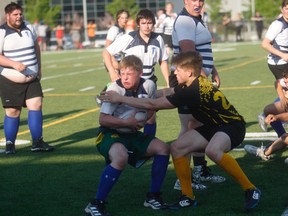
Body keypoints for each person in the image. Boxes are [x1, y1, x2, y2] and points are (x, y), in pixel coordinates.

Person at [101, 51, 261, 211]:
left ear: (189, 72)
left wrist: (120, 98)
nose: (174, 72)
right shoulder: (191, 84)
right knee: (177, 148)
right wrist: (123, 92)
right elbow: (166, 92)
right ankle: (188, 197)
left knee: (213, 150)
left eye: (177, 69)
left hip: (232, 126)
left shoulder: (192, 91)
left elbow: (153, 105)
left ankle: (250, 189)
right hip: (214, 127)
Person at [84, 55, 170, 216]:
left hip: (132, 133)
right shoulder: (114, 90)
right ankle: (96, 204)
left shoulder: (149, 85)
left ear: (139, 72)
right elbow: (103, 120)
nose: (124, 77)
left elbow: (151, 107)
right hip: (110, 134)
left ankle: (153, 196)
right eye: (122, 73)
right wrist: (127, 123)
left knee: (163, 149)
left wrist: (144, 118)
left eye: (128, 74)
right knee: (121, 157)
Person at [170, 0, 224, 191]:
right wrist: (203, 81)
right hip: (187, 80)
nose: (198, 3)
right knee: (189, 126)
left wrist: (213, 70)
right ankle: (182, 178)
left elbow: (202, 51)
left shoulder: (198, 19)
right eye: (193, 0)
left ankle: (200, 170)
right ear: (185, 1)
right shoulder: (185, 21)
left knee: (200, 124)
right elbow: (188, 53)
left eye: (201, 0)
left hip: (196, 78)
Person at [102, 9, 170, 138]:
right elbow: (106, 52)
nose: (147, 26)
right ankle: (117, 141)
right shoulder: (129, 38)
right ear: (138, 24)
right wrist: (112, 71)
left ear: (153, 24)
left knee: (150, 117)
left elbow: (163, 61)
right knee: (126, 113)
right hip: (130, 84)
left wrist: (168, 82)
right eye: (143, 23)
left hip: (149, 83)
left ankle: (147, 145)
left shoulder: (158, 39)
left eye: (149, 23)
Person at [0, 2, 54, 154]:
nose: (19, 17)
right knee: (13, 112)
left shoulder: (29, 27)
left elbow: (36, 46)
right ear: (8, 16)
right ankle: (10, 145)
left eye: (20, 14)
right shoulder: (2, 32)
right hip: (9, 80)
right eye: (15, 14)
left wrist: (39, 68)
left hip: (32, 79)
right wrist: (14, 64)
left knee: (36, 105)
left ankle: (37, 142)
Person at [258, 0, 288, 135]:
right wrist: (283, 55)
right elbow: (265, 44)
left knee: (285, 95)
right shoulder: (278, 24)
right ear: (282, 10)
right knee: (284, 94)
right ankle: (270, 115)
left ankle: (271, 114)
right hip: (278, 64)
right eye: (287, 8)